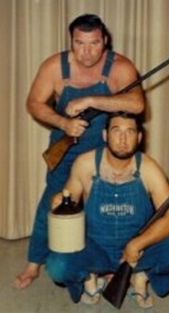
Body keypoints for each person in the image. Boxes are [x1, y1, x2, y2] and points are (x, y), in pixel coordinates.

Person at [14, 14, 145, 289]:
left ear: (104, 40)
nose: (87, 51)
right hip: (67, 147)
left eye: (94, 43)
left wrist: (91, 100)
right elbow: (34, 104)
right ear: (71, 41)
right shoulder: (54, 66)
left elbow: (137, 105)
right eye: (80, 43)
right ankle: (33, 263)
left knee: (110, 207)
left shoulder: (120, 66)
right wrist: (64, 123)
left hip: (109, 149)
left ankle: (111, 264)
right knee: (52, 201)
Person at [45, 112, 169, 308]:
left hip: (139, 251)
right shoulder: (85, 163)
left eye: (130, 132)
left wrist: (137, 244)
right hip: (95, 247)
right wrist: (59, 204)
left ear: (139, 138)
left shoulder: (149, 169)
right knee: (57, 266)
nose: (123, 139)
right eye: (116, 131)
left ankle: (140, 276)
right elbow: (69, 202)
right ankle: (88, 277)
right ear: (105, 135)